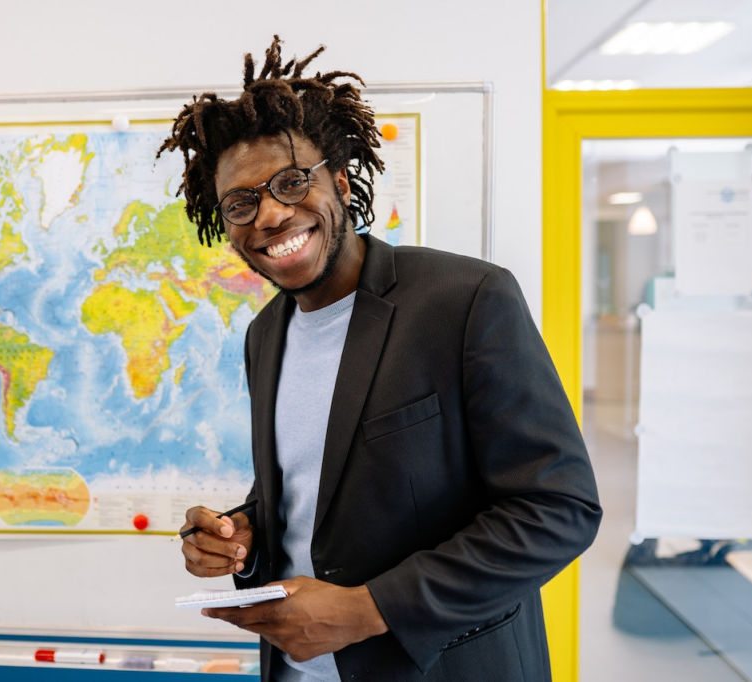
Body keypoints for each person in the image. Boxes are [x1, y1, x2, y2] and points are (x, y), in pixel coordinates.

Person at [159, 36, 602, 682]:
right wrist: (242, 534)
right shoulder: (264, 336)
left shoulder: (465, 300)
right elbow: (317, 489)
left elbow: (559, 509)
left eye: (290, 182)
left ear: (340, 181)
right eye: (242, 203)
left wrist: (371, 609)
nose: (272, 215)